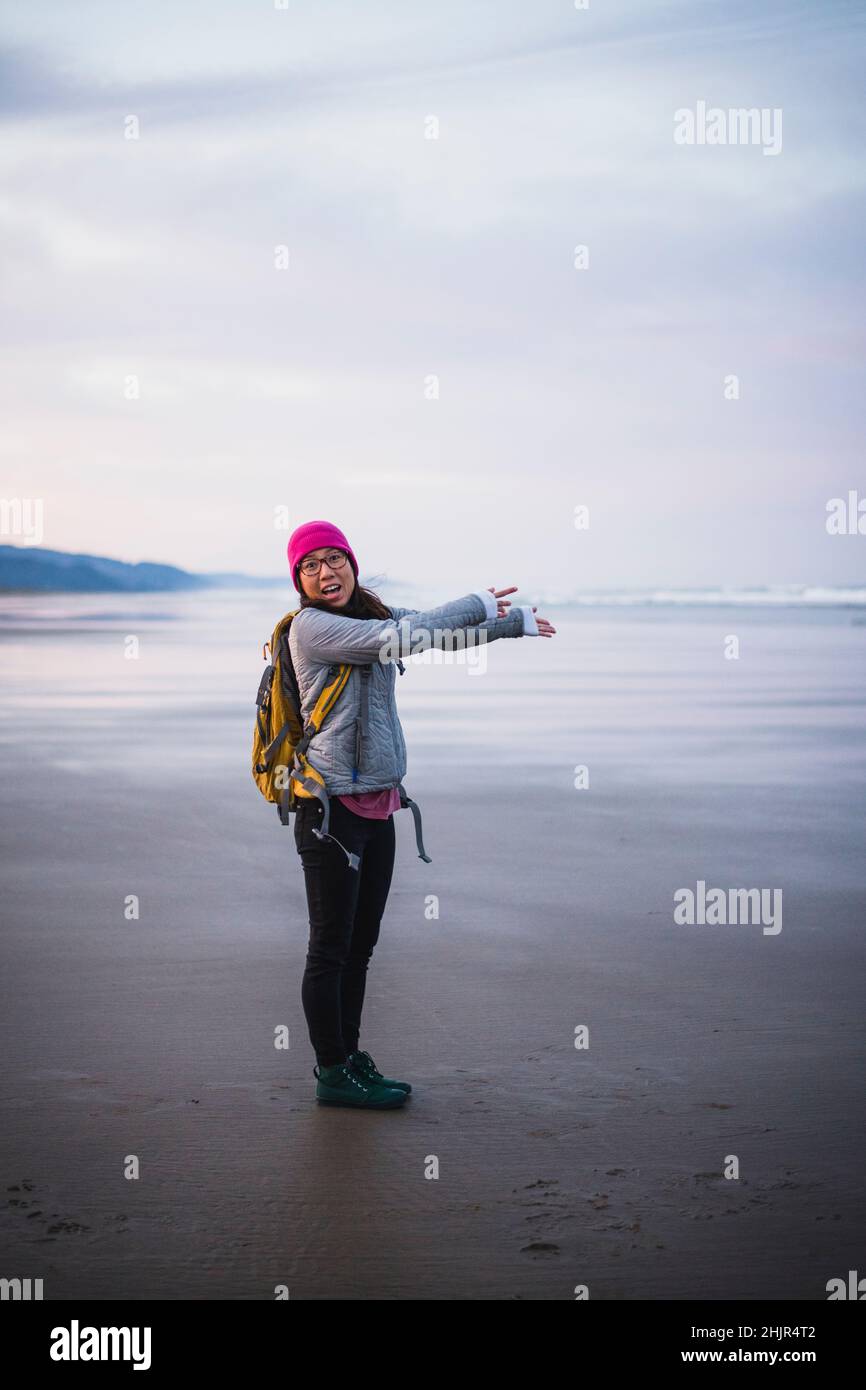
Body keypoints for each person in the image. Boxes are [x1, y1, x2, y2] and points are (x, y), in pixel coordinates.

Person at [285, 519, 557, 1109]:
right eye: (311, 565)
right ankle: (331, 1071)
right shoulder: (313, 628)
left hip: (378, 803)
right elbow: (406, 638)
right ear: (299, 580)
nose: (325, 572)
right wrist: (477, 601)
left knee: (361, 946)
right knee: (330, 948)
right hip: (329, 812)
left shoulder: (371, 614)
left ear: (352, 565)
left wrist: (510, 625)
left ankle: (350, 1056)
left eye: (334, 559)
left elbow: (434, 635)